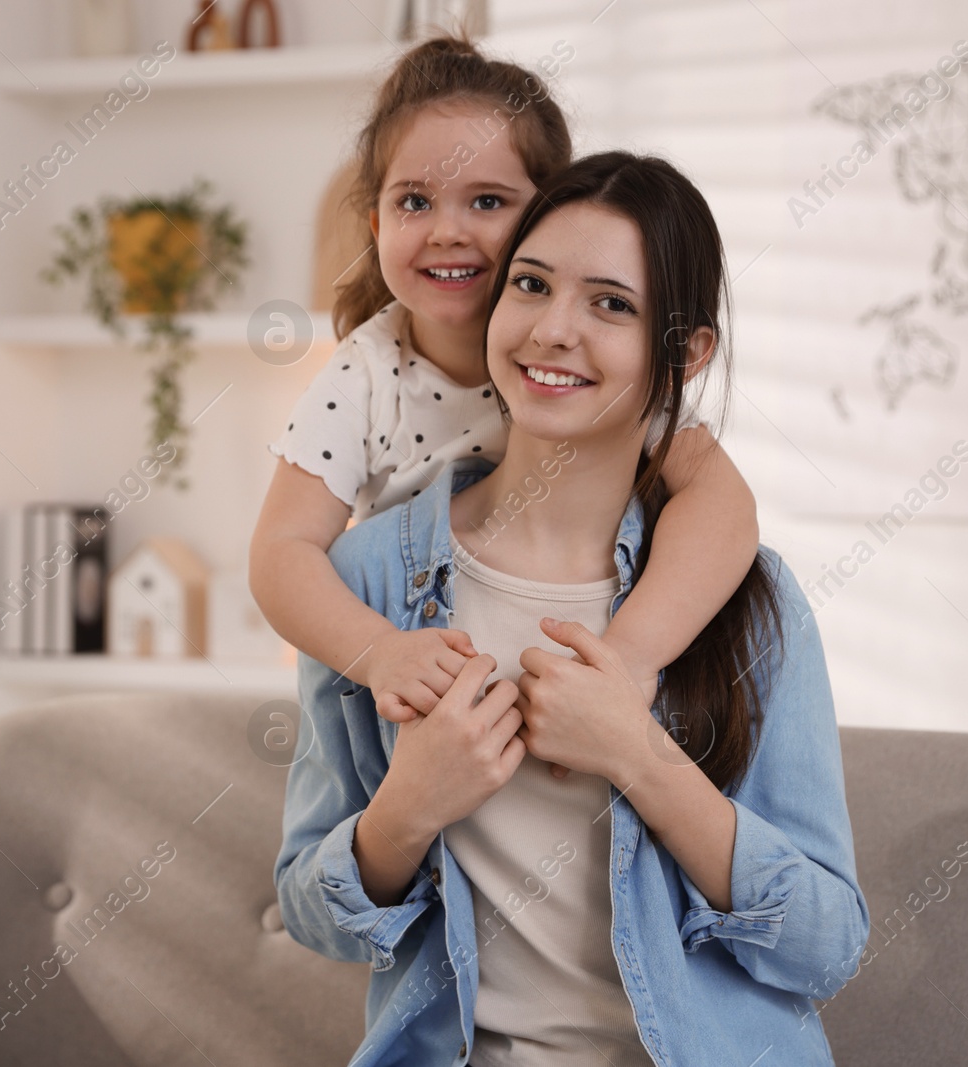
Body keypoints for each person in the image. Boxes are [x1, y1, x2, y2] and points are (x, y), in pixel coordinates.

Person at [274, 151, 870, 1066]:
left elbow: (825, 947)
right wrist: (405, 810)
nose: (554, 329)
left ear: (687, 353)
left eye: (611, 304)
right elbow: (316, 918)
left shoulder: (746, 601)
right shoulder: (366, 585)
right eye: (531, 284)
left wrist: (636, 753)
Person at [250, 35, 761, 745]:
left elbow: (723, 503)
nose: (446, 231)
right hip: (425, 681)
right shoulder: (366, 372)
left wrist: (631, 656)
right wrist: (381, 653)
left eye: (486, 200)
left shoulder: (574, 367)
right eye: (414, 202)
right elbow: (280, 554)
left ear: (548, 215)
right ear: (376, 225)